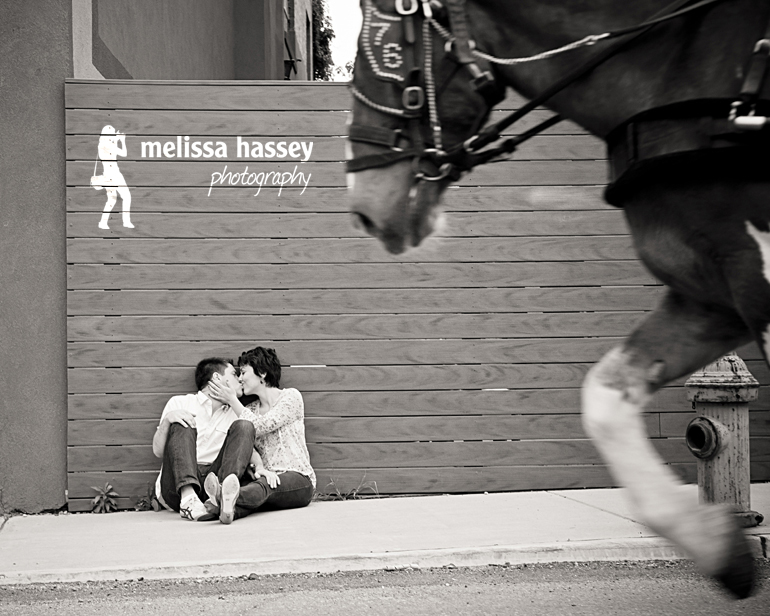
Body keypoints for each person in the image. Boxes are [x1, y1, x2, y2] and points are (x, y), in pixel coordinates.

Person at [206, 346, 315, 521]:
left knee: (265, 487)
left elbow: (263, 425)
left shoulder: (290, 397)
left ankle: (218, 497)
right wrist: (261, 468)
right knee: (259, 489)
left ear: (262, 372)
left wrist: (232, 400)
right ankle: (224, 508)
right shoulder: (249, 410)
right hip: (265, 478)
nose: (240, 379)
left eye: (244, 372)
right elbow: (249, 446)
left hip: (298, 479)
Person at [152, 357, 260, 522]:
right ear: (217, 378)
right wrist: (168, 420)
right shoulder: (180, 402)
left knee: (245, 425)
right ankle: (188, 498)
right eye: (233, 373)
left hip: (214, 482)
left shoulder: (235, 413)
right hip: (176, 487)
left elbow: (247, 446)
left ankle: (222, 498)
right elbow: (158, 451)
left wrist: (260, 466)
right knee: (182, 420)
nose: (239, 379)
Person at [92, 125, 133, 229]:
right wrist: (122, 140)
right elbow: (124, 153)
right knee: (126, 196)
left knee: (112, 199)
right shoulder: (107, 144)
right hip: (115, 175)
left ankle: (103, 222)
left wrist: (116, 139)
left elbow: (111, 153)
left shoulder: (102, 144)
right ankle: (126, 222)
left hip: (108, 175)